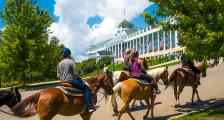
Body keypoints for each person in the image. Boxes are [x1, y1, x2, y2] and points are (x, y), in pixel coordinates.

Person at [57, 48, 95, 112]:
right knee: (87, 89)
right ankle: (90, 106)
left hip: (62, 82)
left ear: (62, 55)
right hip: (71, 81)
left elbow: (58, 76)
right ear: (69, 54)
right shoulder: (71, 61)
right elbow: (75, 73)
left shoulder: (59, 64)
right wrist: (79, 78)